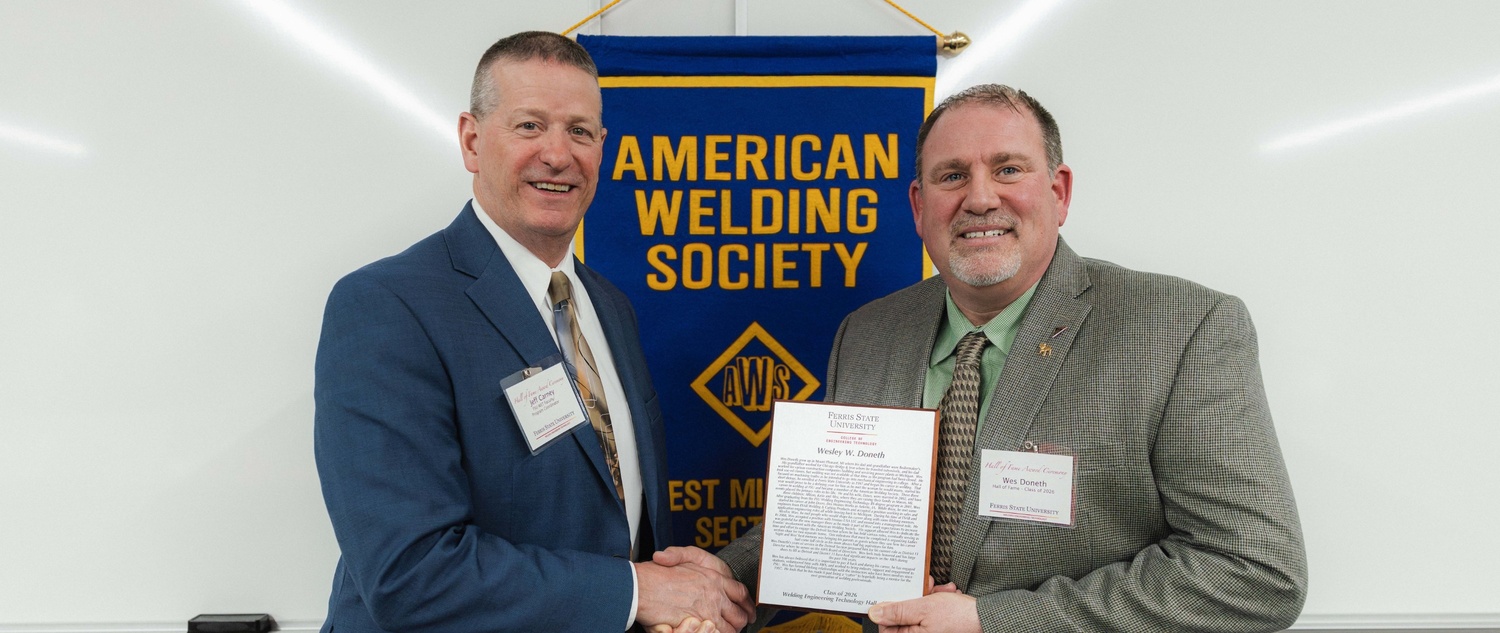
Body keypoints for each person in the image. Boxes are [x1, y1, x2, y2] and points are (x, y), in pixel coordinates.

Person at [666, 84, 1308, 632]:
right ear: (919, 208)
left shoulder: (1182, 328)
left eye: (1008, 169)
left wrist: (991, 620)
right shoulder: (868, 333)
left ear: (1059, 191)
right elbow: (837, 522)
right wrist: (725, 579)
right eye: (952, 176)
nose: (979, 199)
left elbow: (1255, 571)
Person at [313, 31, 750, 633]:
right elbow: (408, 574)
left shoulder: (609, 307)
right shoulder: (386, 306)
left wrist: (687, 591)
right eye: (529, 126)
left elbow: (619, 521)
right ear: (471, 140)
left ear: (603, 148)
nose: (557, 154)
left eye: (579, 131)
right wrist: (637, 592)